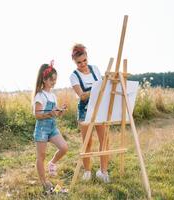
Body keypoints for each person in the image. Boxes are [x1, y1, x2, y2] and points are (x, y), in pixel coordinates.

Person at [69, 44, 110, 183]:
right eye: (79, 62)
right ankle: (87, 171)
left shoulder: (95, 69)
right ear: (74, 61)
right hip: (84, 111)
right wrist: (96, 89)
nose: (83, 64)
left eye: (84, 60)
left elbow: (104, 87)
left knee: (104, 139)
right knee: (87, 142)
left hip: (99, 108)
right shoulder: (74, 76)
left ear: (87, 57)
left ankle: (103, 172)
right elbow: (82, 95)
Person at [32, 60, 68, 193]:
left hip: (52, 127)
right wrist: (49, 113)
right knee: (41, 156)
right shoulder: (40, 95)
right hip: (42, 129)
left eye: (55, 80)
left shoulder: (52, 95)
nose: (54, 82)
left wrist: (60, 111)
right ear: (44, 79)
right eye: (52, 80)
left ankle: (52, 163)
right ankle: (44, 182)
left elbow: (55, 114)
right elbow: (37, 115)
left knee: (64, 147)